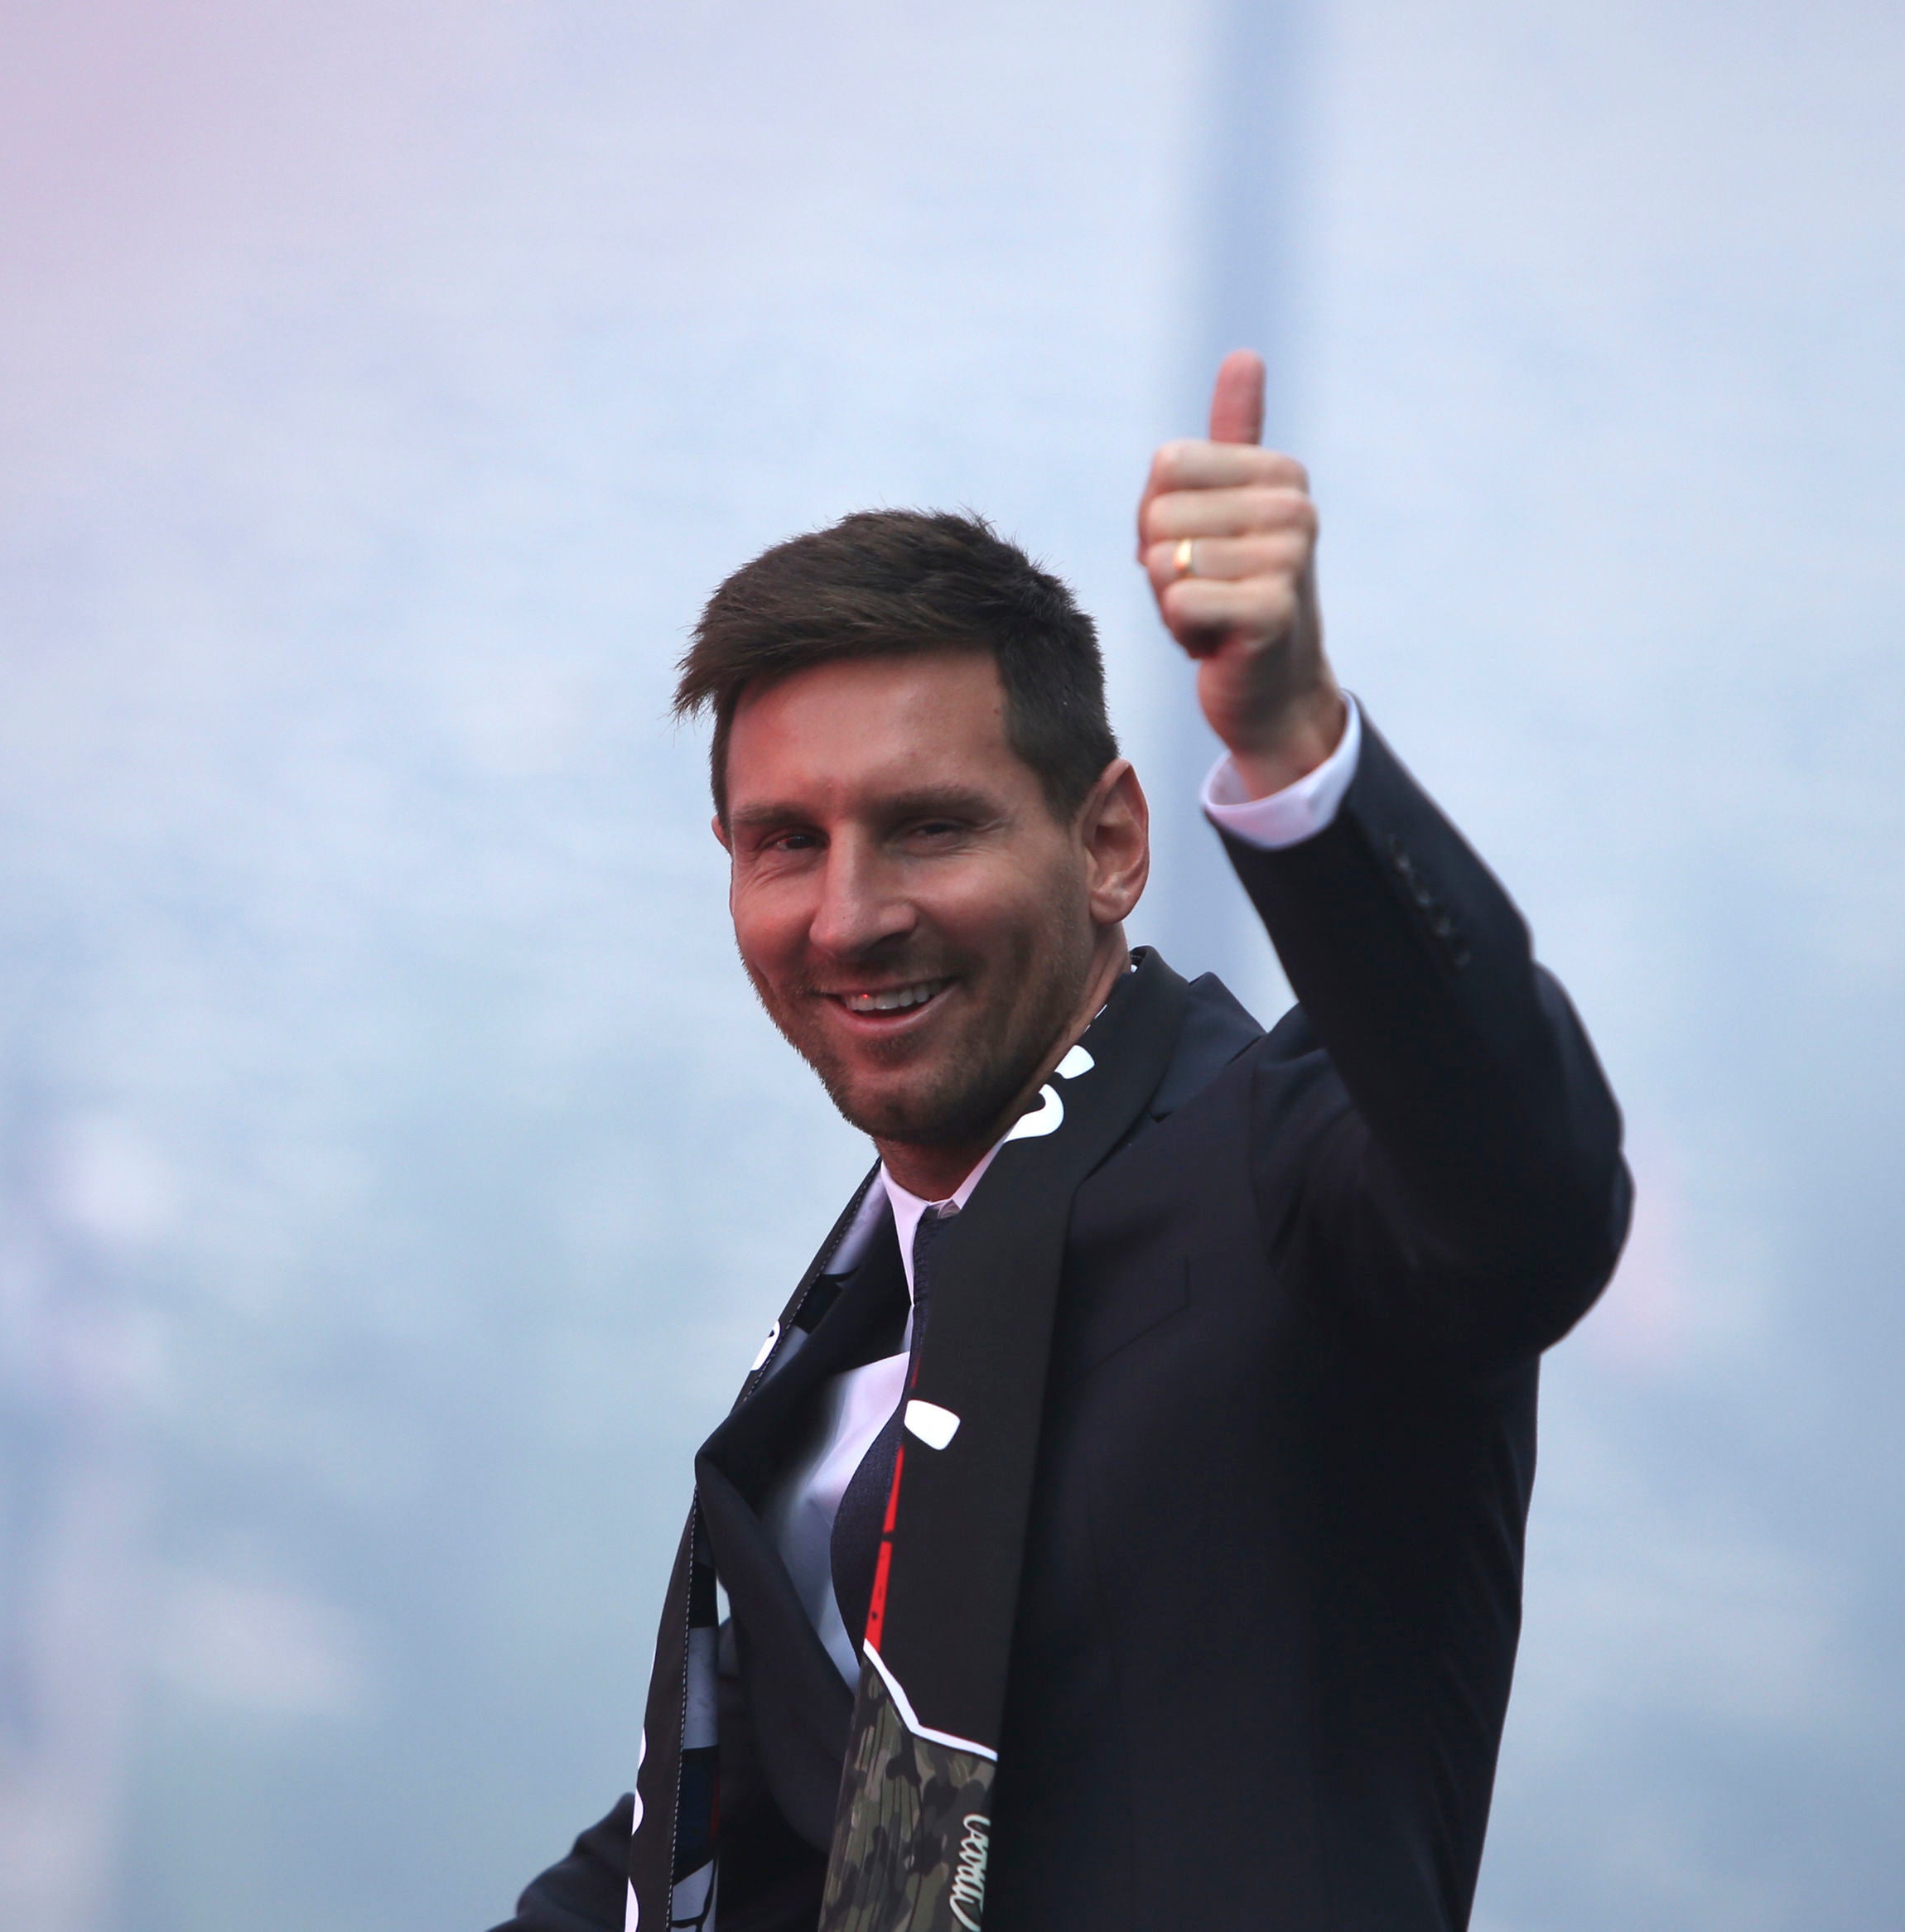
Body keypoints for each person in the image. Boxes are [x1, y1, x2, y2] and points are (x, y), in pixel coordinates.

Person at [493, 353, 1630, 1932]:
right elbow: (706, 1854)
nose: (850, 912)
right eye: (786, 844)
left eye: (929, 826)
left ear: (1110, 842)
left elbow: (1532, 1197)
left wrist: (1298, 739)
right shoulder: (843, 1343)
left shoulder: (1274, 1163)